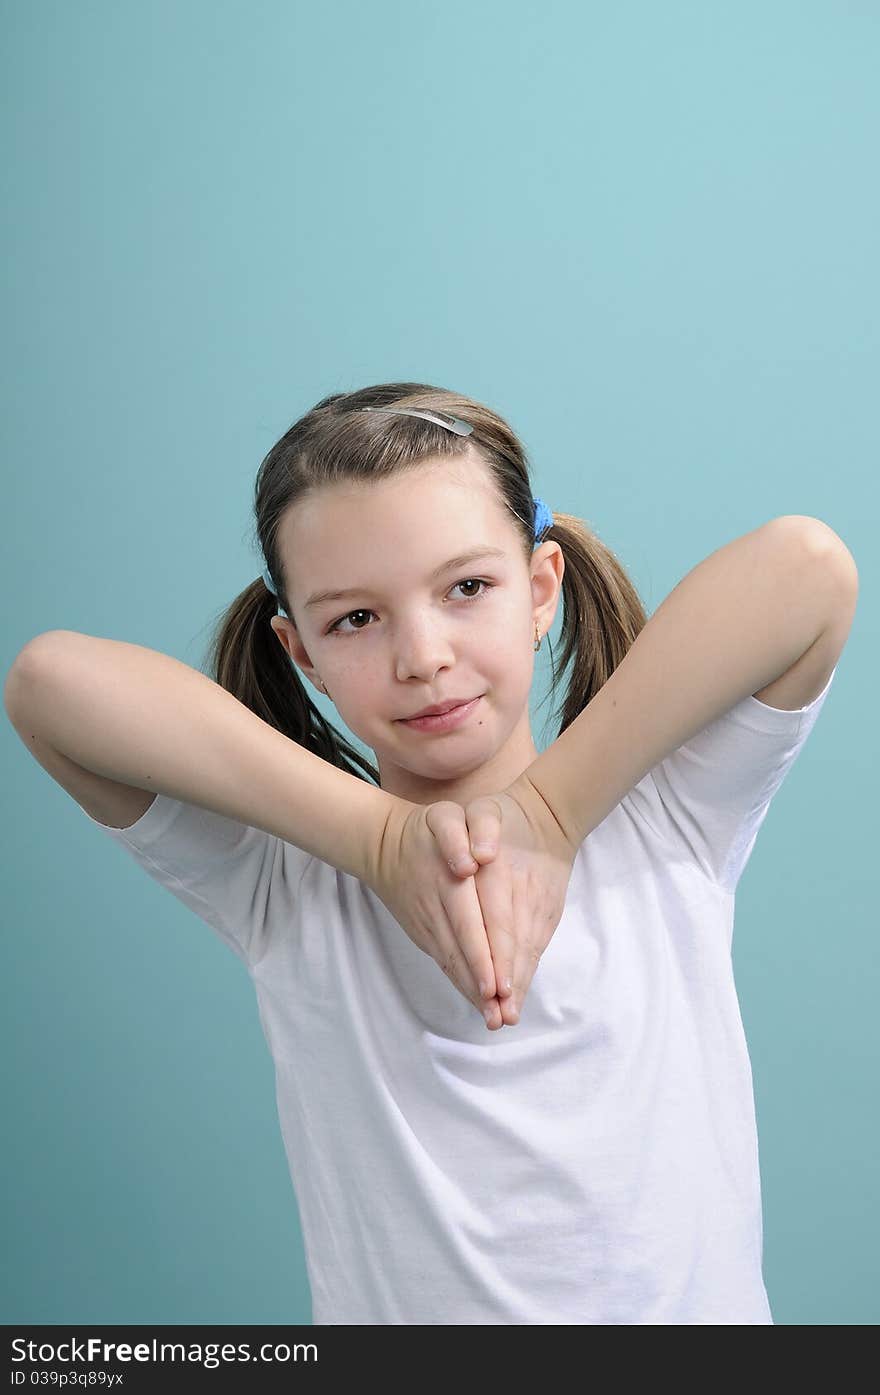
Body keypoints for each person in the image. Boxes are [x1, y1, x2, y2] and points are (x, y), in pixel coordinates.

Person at [4, 382, 857, 1324]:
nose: (423, 655)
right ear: (301, 654)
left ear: (540, 592)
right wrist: (378, 842)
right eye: (355, 619)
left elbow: (807, 569)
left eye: (467, 587)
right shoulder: (291, 881)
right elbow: (50, 685)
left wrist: (549, 814)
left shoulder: (665, 818)